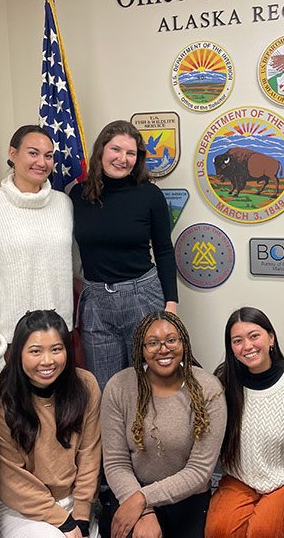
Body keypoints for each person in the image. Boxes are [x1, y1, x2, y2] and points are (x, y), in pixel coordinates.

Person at [0, 125, 73, 382]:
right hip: (10, 345)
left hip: (56, 344)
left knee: (57, 418)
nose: (41, 162)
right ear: (13, 153)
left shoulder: (64, 205)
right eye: (33, 153)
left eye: (48, 155)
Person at [71, 120, 178, 390]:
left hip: (143, 296)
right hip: (95, 302)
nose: (123, 159)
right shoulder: (78, 196)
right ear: (101, 151)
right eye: (115, 150)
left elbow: (164, 249)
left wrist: (171, 304)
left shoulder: (150, 195)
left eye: (131, 153)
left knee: (149, 383)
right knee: (106, 388)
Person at [101, 311, 226, 538]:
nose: (163, 349)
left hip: (188, 500)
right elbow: (116, 463)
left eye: (171, 340)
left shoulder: (208, 389)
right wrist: (143, 510)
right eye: (152, 343)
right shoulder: (119, 387)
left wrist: (143, 499)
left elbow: (200, 470)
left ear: (184, 343)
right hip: (130, 492)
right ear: (141, 348)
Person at [205, 307, 284, 538]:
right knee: (219, 529)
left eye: (254, 336)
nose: (247, 346)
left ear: (271, 337)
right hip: (238, 477)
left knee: (264, 531)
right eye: (237, 340)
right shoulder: (223, 381)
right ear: (231, 348)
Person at [0, 309, 101, 538]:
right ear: (19, 353)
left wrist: (80, 515)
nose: (47, 361)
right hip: (21, 507)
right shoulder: (3, 399)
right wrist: (62, 522)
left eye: (56, 349)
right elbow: (10, 478)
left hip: (74, 501)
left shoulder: (86, 386)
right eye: (35, 351)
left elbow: (90, 454)